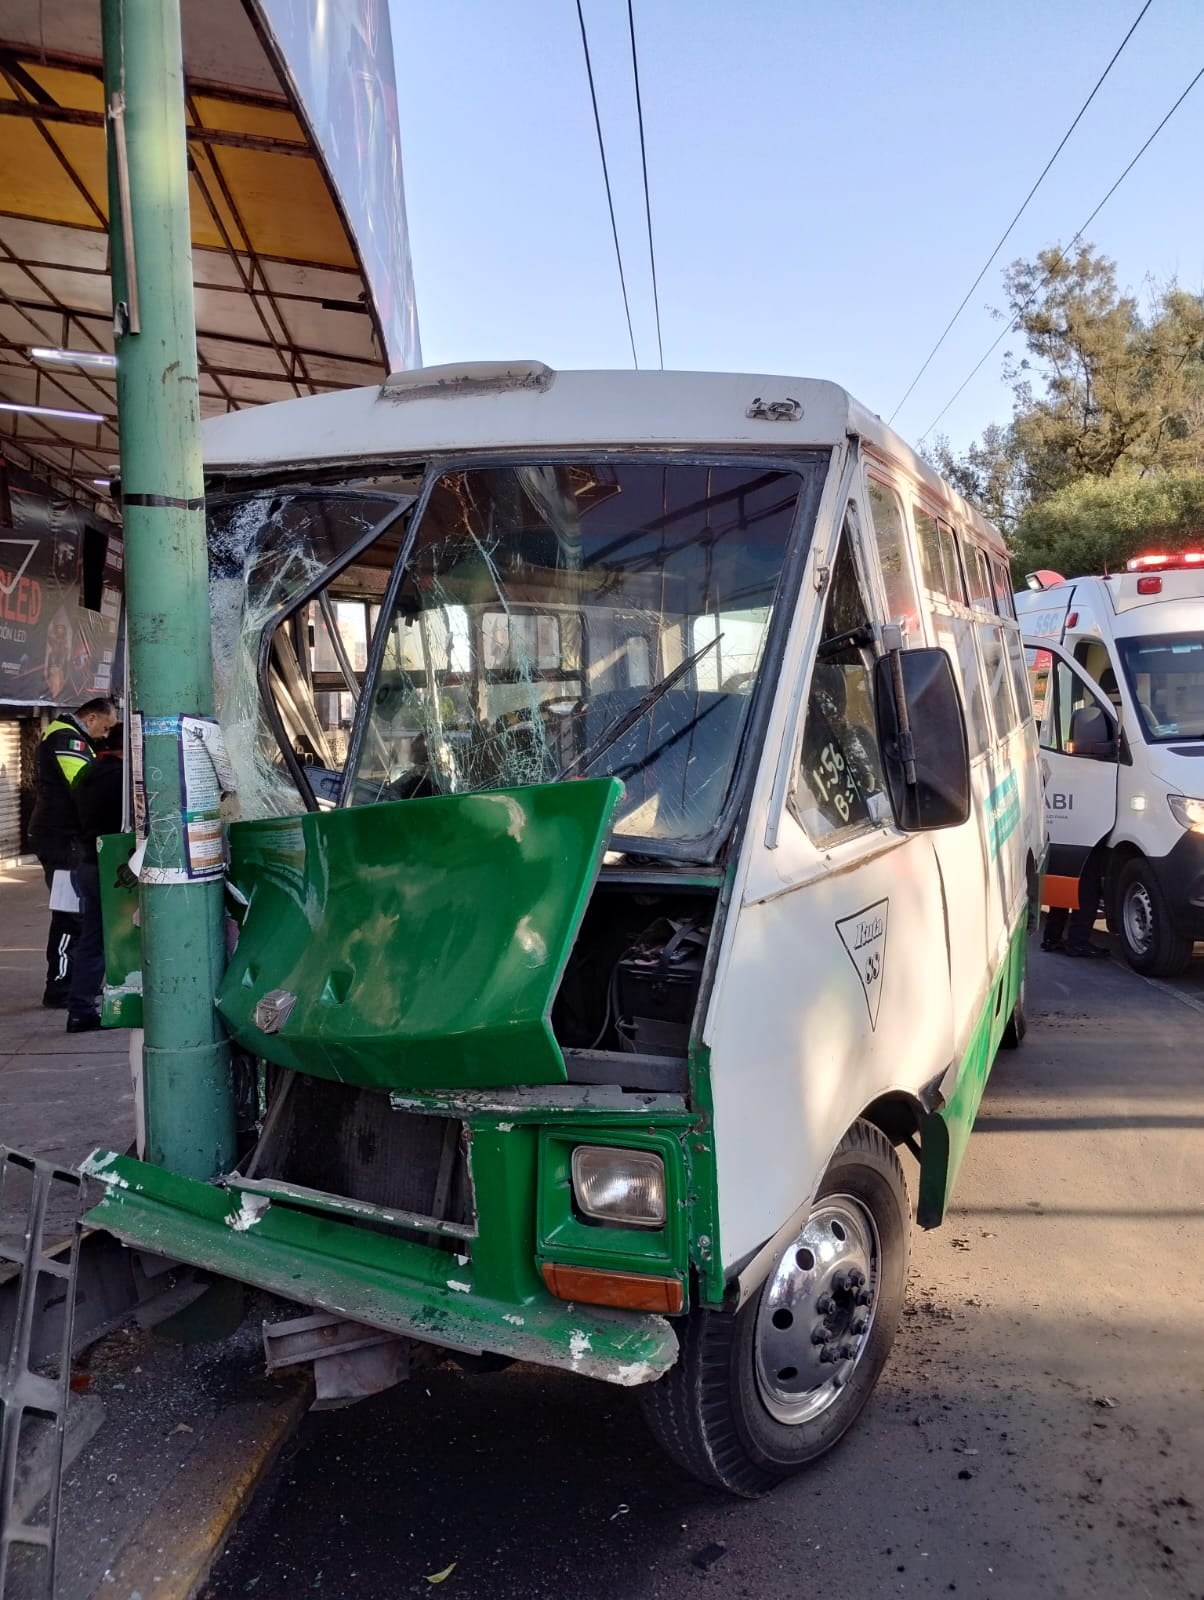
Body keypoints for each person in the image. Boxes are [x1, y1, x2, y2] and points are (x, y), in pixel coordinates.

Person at [28, 696, 118, 1007]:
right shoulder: (67, 739)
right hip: (61, 838)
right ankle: (60, 986)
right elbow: (85, 783)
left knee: (81, 912)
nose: (106, 735)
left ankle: (76, 982)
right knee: (70, 913)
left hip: (68, 837)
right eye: (105, 728)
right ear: (91, 718)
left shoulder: (72, 737)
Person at [65, 723, 125, 1033]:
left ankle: (80, 1008)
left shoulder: (89, 772)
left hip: (88, 860)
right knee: (102, 940)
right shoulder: (119, 779)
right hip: (109, 865)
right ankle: (83, 1009)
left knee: (92, 939)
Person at [1042, 842, 1109, 958]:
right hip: (1090, 839)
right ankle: (1078, 941)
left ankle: (1052, 937)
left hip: (1064, 838)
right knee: (1088, 885)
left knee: (1063, 878)